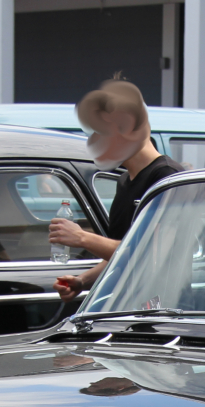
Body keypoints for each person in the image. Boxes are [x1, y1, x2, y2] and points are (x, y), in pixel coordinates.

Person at [48, 79, 183, 301]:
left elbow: (152, 256)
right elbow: (120, 253)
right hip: (130, 307)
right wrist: (83, 281)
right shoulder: (124, 181)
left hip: (161, 308)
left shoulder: (166, 177)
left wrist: (82, 238)